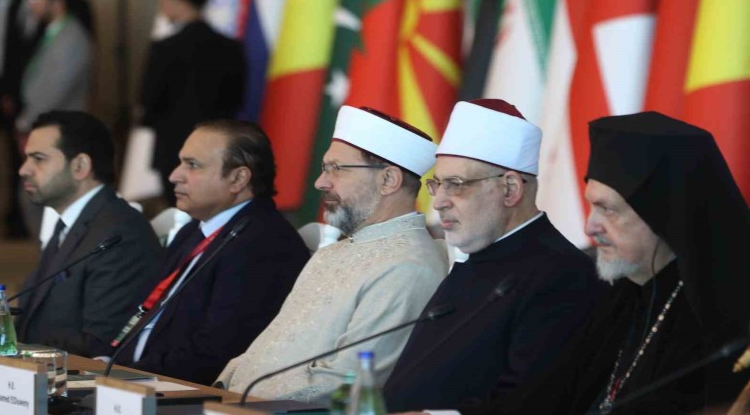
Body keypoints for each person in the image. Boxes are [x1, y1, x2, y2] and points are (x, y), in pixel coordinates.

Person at [458, 111, 750, 415]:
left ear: (663, 214)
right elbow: (538, 396)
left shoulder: (722, 321)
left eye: (607, 209)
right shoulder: (615, 295)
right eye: (590, 206)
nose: (590, 227)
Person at [383, 99, 605, 412]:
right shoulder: (477, 260)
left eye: (456, 184)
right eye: (438, 185)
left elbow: (531, 404)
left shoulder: (562, 275)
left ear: (510, 189)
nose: (438, 202)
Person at [216, 106, 449, 402]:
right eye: (325, 168)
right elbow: (266, 348)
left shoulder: (411, 267)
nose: (320, 182)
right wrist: (220, 391)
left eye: (336, 168)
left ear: (388, 180)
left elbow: (347, 383)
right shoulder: (332, 253)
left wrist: (242, 403)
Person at [119, 119, 309, 386]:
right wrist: (105, 363)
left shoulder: (264, 245)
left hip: (176, 392)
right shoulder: (194, 231)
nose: (174, 175)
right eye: (180, 162)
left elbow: (214, 354)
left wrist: (124, 375)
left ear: (238, 179)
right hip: (134, 379)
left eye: (192, 165)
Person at [15, 111, 161, 357]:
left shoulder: (120, 234)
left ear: (80, 166)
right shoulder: (73, 223)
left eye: (38, 159)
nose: (23, 170)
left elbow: (97, 344)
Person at [140, 0, 245, 206]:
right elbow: (236, 100)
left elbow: (148, 99)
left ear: (182, 2)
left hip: (172, 149)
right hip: (218, 147)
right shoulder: (230, 48)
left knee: (178, 208)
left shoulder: (165, 48)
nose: (162, 6)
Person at [16, 0, 92, 134]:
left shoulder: (72, 38)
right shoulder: (54, 31)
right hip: (46, 123)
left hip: (58, 127)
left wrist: (28, 121)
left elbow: (56, 89)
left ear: (57, 3)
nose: (31, 4)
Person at [0, 0, 27, 238]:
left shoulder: (20, 3)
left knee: (18, 158)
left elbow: (24, 50)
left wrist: (12, 92)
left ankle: (16, 219)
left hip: (11, 90)